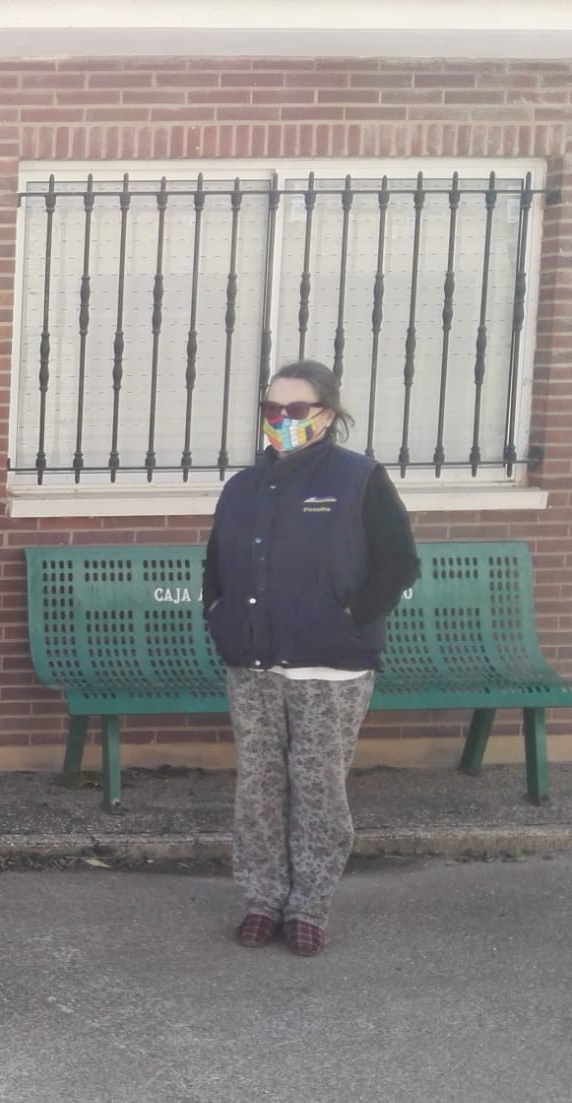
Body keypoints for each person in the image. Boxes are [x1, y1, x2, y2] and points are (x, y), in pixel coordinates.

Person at [205, 360, 419, 957]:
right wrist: (220, 615)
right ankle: (262, 898)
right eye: (272, 409)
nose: (282, 420)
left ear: (326, 415)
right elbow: (217, 564)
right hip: (253, 663)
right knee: (260, 788)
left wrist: (348, 617)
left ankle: (309, 906)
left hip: (331, 665)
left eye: (295, 410)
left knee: (319, 788)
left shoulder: (359, 478)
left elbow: (398, 562)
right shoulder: (243, 487)